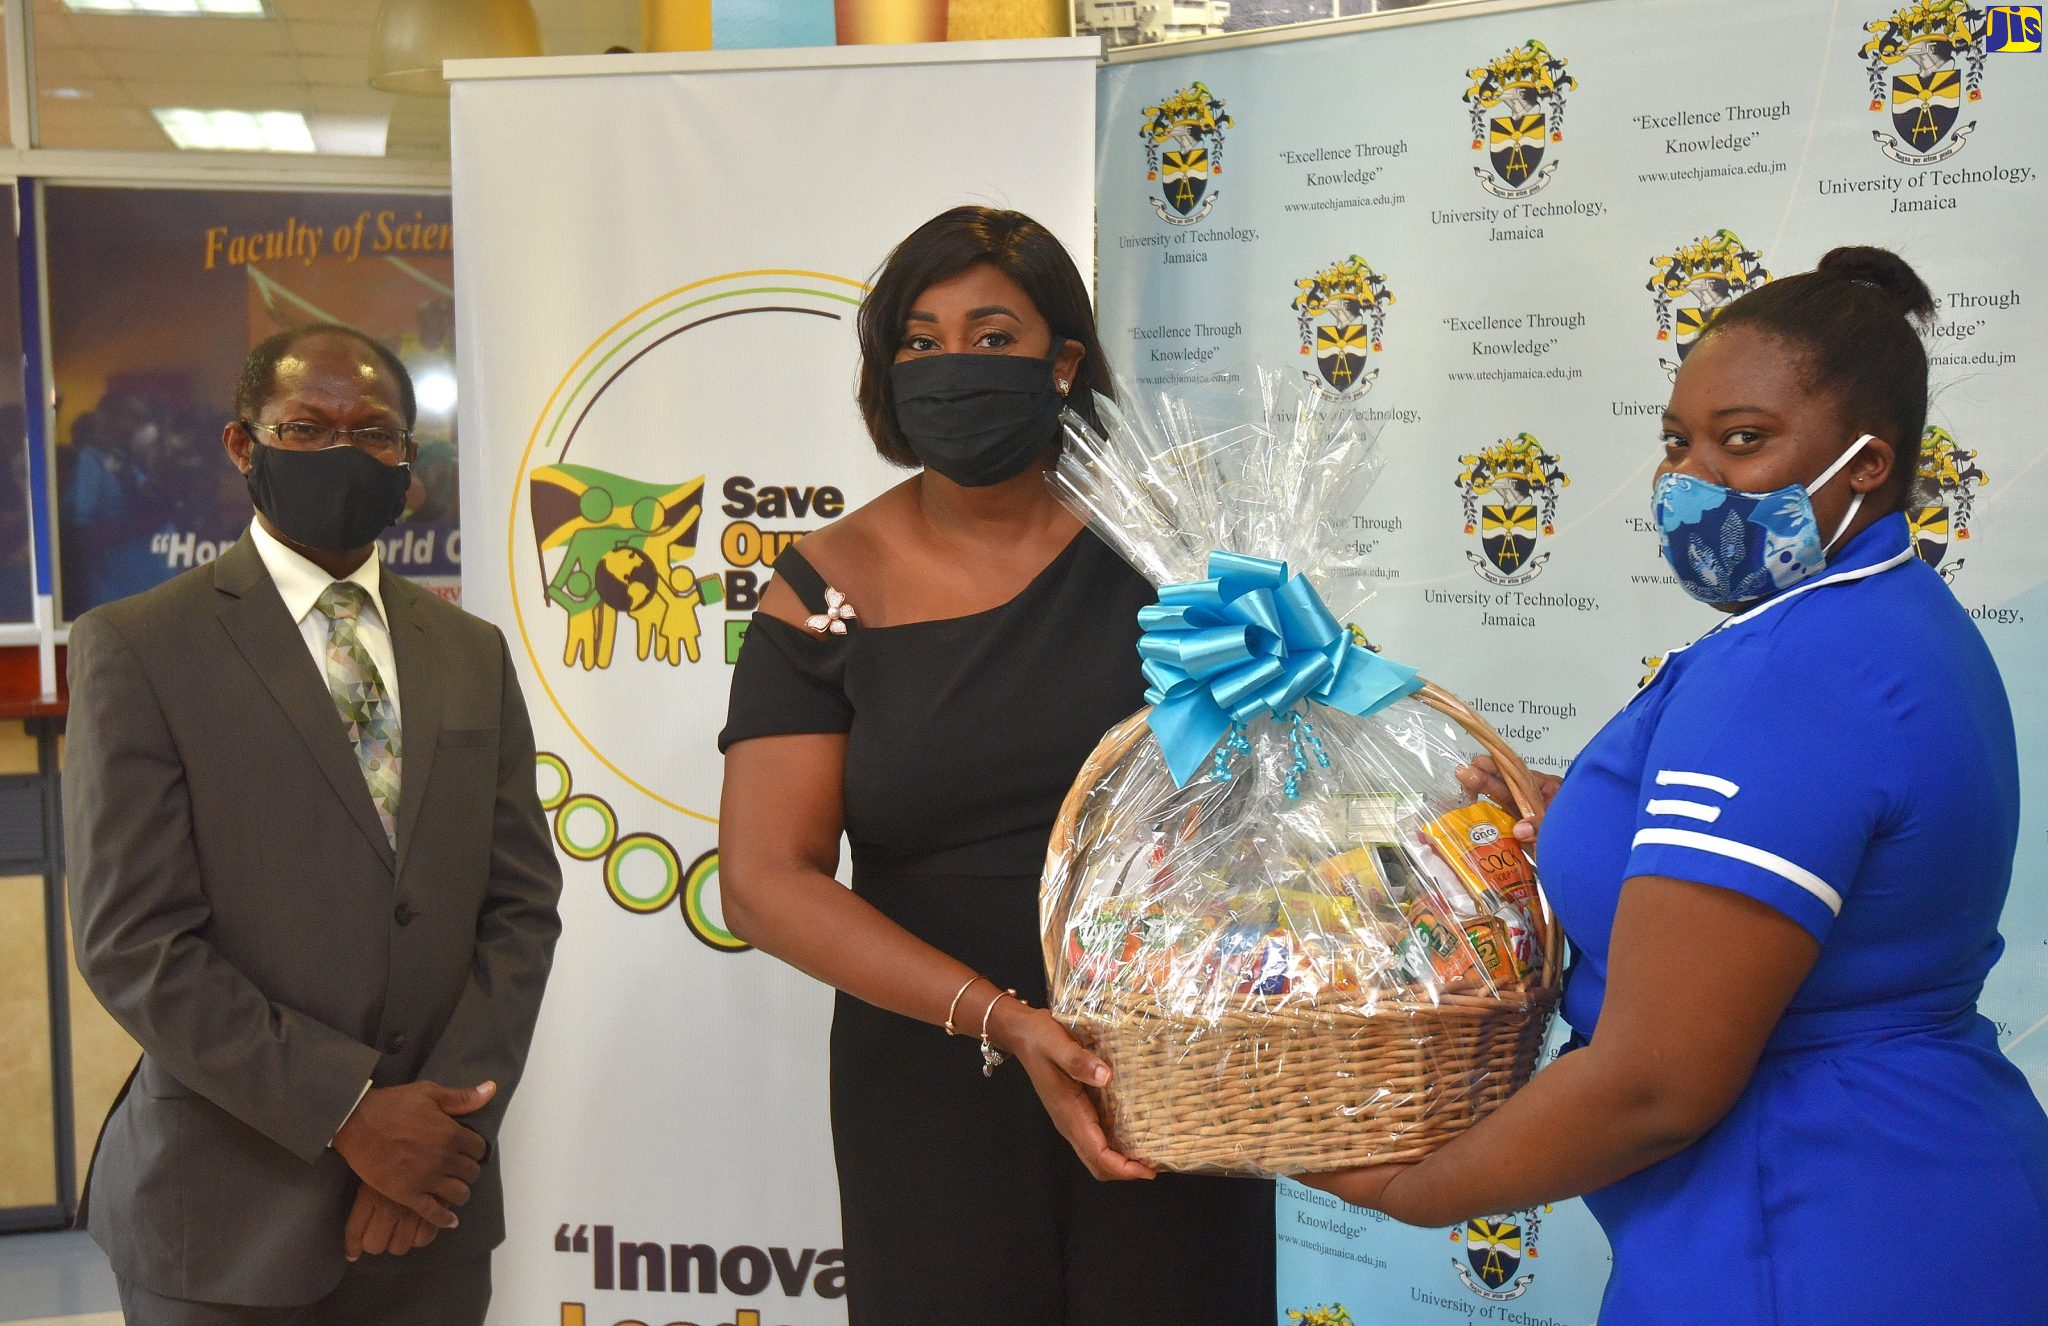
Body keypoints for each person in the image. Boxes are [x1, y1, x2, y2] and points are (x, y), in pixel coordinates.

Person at [1302, 248, 2048, 1322]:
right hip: (1919, 1192)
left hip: (1805, 1229)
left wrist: (1414, 1189)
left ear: (1865, 463)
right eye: (1675, 442)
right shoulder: (1887, 619)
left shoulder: (1788, 667)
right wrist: (1592, 817)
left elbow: (1653, 1085)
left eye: (1742, 441)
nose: (1690, 480)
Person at [717, 206, 1275, 1324]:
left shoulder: (1176, 550)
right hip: (933, 1076)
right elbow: (762, 881)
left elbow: (1288, 782)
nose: (951, 368)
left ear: (1061, 361)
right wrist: (1002, 1020)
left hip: (1163, 1063)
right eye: (917, 344)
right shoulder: (822, 588)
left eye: (990, 335)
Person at [65, 322, 564, 1325]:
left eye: (374, 434)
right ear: (243, 447)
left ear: (409, 468)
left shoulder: (469, 652)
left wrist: (433, 1135)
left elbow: (520, 908)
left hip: (431, 1207)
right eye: (305, 428)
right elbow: (134, 942)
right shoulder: (139, 647)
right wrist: (350, 1115)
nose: (343, 452)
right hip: (225, 1221)